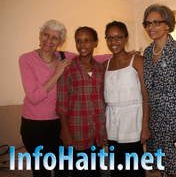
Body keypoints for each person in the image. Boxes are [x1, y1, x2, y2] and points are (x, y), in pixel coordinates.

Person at [19, 20, 110, 177]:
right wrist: (57, 73)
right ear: (40, 36)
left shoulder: (63, 56)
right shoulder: (26, 59)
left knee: (63, 169)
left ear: (61, 42)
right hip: (35, 126)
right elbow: (33, 97)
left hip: (58, 125)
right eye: (46, 34)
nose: (49, 40)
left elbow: (90, 56)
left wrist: (123, 55)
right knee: (42, 170)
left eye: (55, 38)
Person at [142, 4, 176, 177]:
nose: (151, 27)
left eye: (156, 22)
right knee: (159, 168)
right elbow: (150, 91)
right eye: (148, 23)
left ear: (168, 24)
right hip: (156, 123)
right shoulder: (148, 52)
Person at [56, 26, 106, 177]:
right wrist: (65, 132)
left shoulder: (101, 69)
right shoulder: (68, 68)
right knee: (80, 172)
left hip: (97, 131)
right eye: (79, 41)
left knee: (94, 170)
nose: (82, 45)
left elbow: (103, 98)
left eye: (87, 41)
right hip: (77, 131)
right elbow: (62, 103)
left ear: (96, 43)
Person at [103, 21, 149, 177]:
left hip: (133, 121)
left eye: (118, 37)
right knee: (116, 167)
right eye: (109, 38)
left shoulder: (137, 61)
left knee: (134, 168)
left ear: (126, 38)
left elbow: (146, 96)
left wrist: (145, 127)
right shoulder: (105, 65)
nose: (113, 42)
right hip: (112, 122)